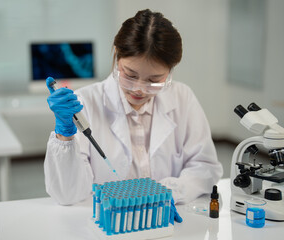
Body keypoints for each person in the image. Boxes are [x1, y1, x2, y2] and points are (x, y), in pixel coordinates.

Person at [44, 9, 223, 223]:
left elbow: (205, 167)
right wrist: (65, 137)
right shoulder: (85, 103)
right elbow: (67, 195)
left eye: (154, 80)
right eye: (130, 75)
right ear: (117, 56)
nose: (139, 89)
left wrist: (166, 193)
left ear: (170, 72)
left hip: (166, 221)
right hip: (108, 225)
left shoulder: (182, 98)